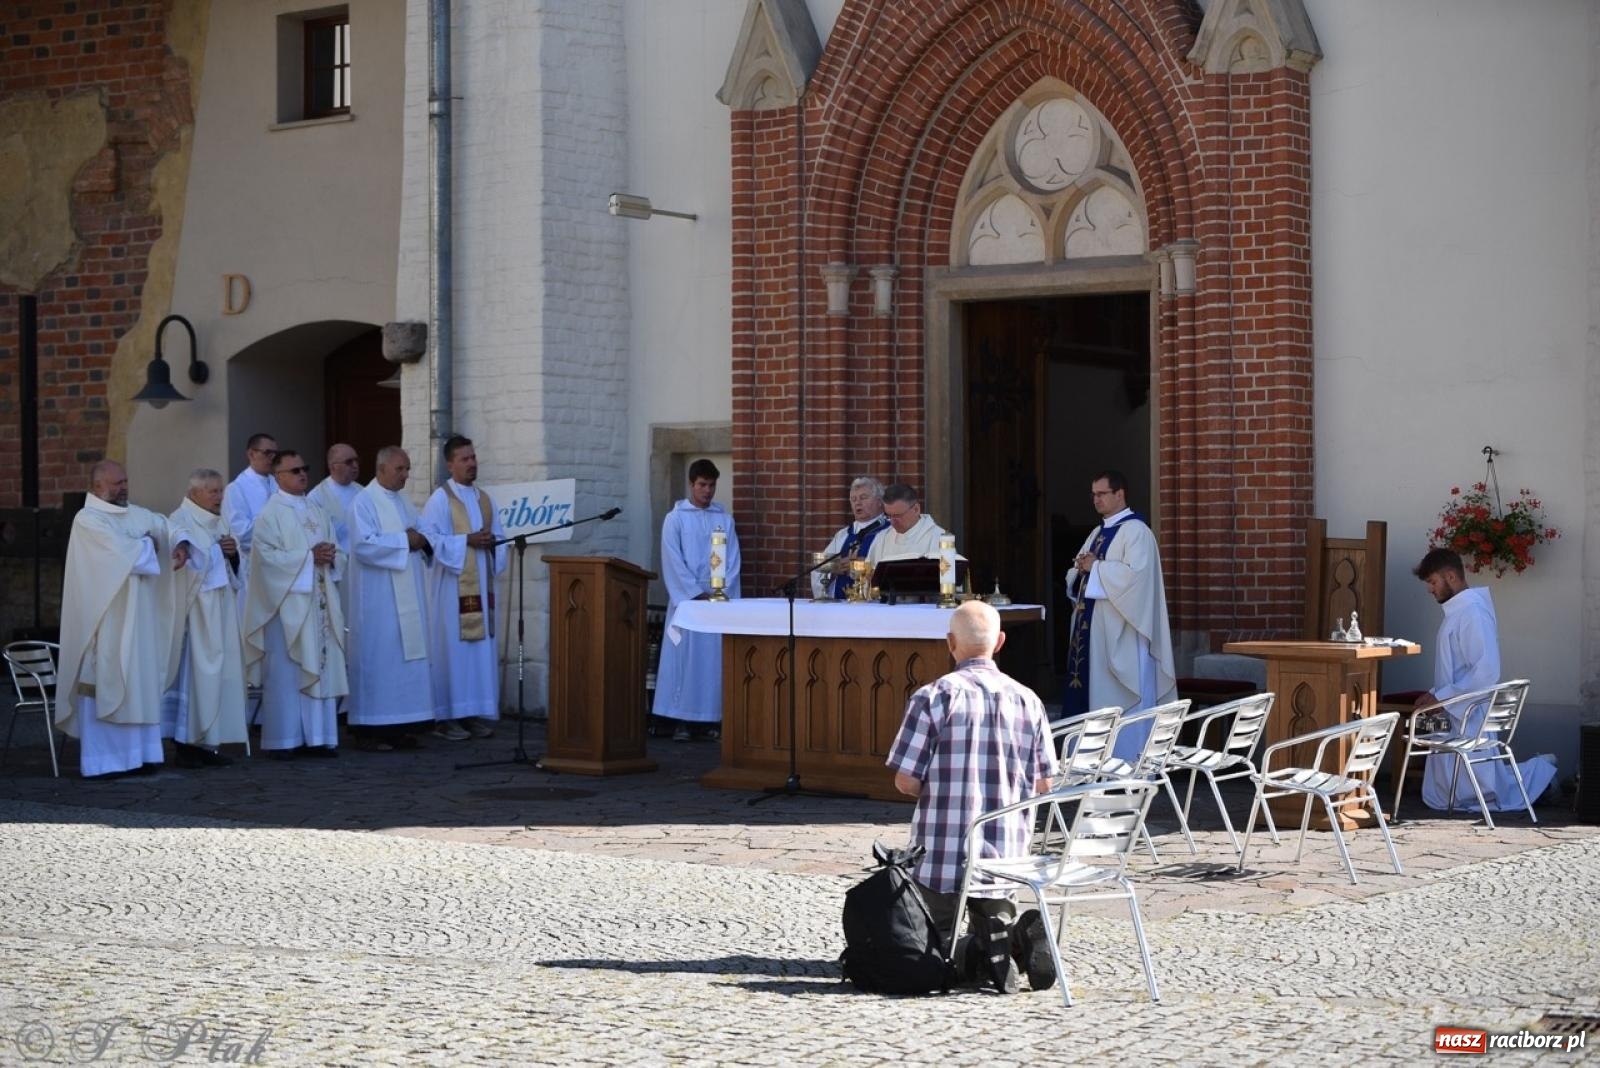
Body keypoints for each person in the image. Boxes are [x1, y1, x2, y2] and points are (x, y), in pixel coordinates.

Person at [886, 600, 1059, 993]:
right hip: (1005, 858)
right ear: (1000, 642)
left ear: (951, 643)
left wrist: (945, 788)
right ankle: (1008, 940)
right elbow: (1045, 784)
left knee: (931, 950)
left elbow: (905, 781)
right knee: (991, 915)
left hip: (941, 856)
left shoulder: (932, 697)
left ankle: (983, 951)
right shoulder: (1028, 700)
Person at [56, 460, 190, 778]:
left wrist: (180, 542)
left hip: (139, 622)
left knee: (139, 684)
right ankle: (105, 762)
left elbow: (164, 526)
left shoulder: (136, 514)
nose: (123, 487)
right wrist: (148, 544)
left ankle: (142, 756)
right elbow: (121, 554)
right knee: (108, 683)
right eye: (116, 483)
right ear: (97, 486)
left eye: (125, 481)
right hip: (106, 622)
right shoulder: (88, 520)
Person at [1412, 548, 1556, 811]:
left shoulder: (1472, 612)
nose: (1430, 589)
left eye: (1433, 582)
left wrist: (1441, 697)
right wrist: (1434, 693)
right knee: (1452, 792)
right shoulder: (1459, 611)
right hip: (1457, 706)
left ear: (1451, 576)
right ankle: (1539, 773)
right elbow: (1457, 667)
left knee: (1481, 790)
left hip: (1470, 712)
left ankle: (1542, 773)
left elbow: (1486, 670)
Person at [1062, 470, 1177, 760]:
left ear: (1120, 494)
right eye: (1093, 495)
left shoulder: (1137, 532)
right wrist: (1080, 568)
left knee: (1123, 703)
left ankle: (1128, 762)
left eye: (1101, 494)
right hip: (1095, 636)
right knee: (1092, 697)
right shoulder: (1097, 532)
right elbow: (1077, 571)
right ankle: (1088, 764)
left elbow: (1136, 580)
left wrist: (1096, 568)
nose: (1096, 500)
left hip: (1124, 635)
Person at [242, 449, 348, 758]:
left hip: (319, 602)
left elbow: (339, 551)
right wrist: (307, 559)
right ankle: (284, 740)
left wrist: (332, 556)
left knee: (321, 666)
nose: (303, 474)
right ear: (278, 477)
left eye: (305, 468)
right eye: (295, 470)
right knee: (287, 672)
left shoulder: (316, 510)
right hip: (287, 607)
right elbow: (265, 560)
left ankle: (319, 738)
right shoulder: (270, 514)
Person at [346, 447, 439, 749]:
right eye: (400, 469)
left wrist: (420, 539)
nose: (406, 475)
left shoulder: (404, 501)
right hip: (378, 602)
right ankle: (370, 730)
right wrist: (405, 540)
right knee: (381, 659)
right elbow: (363, 545)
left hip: (408, 597)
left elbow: (423, 531)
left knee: (404, 660)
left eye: (407, 469)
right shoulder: (363, 502)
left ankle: (401, 726)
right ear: (382, 469)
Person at [160, 468, 249, 767]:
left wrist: (232, 555)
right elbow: (182, 567)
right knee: (193, 678)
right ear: (193, 493)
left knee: (218, 677)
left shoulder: (219, 521)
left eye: (221, 490)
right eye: (213, 491)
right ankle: (186, 744)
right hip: (195, 616)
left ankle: (208, 742)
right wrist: (216, 551)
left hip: (220, 611)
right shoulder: (179, 521)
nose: (219, 497)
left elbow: (234, 570)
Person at [420, 434, 506, 741]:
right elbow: (429, 541)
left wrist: (493, 543)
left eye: (473, 457)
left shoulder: (485, 499)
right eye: (464, 459)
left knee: (477, 654)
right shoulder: (440, 500)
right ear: (450, 464)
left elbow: (501, 537)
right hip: (450, 592)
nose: (471, 463)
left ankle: (471, 713)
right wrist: (466, 541)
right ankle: (445, 717)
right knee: (452, 652)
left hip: (481, 587)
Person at [653, 458, 741, 742]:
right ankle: (675, 718)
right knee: (683, 662)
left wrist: (720, 592)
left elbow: (732, 560)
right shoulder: (676, 519)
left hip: (715, 601)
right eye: (702, 485)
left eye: (712, 485)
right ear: (691, 484)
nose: (707, 491)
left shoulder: (723, 520)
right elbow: (672, 558)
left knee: (711, 663)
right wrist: (693, 593)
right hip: (688, 601)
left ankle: (707, 720)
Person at [309, 442, 363, 627]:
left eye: (356, 460)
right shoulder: (316, 497)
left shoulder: (363, 492)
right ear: (333, 466)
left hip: (361, 566)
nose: (355, 465)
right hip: (335, 570)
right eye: (349, 462)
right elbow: (316, 535)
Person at [221, 432, 277, 604]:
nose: (272, 458)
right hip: (254, 565)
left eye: (275, 453)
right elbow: (241, 534)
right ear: (251, 454)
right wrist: (275, 521)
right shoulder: (236, 489)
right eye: (267, 453)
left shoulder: (280, 484)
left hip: (283, 566)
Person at [811, 477, 889, 599]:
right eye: (853, 499)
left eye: (863, 497)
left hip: (873, 606)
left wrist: (863, 566)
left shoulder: (891, 531)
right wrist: (835, 568)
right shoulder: (843, 535)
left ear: (880, 501)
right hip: (839, 605)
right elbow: (818, 570)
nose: (858, 503)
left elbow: (894, 570)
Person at [864, 483, 949, 567]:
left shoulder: (939, 538)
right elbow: (869, 573)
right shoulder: (882, 538)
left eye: (898, 515)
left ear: (916, 509)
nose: (893, 521)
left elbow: (947, 573)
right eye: (889, 515)